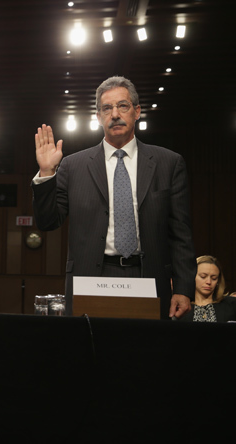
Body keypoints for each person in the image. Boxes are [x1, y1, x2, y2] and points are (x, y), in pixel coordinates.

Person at [32, 76, 195, 319]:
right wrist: (47, 173)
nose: (115, 114)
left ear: (137, 111)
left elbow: (180, 233)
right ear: (98, 117)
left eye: (123, 106)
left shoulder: (168, 164)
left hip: (147, 276)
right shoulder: (72, 166)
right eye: (106, 108)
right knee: (91, 354)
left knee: (144, 353)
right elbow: (47, 222)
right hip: (91, 277)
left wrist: (183, 289)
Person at [180, 256, 236, 322]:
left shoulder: (231, 305)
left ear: (218, 281)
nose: (208, 282)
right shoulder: (181, 306)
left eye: (214, 278)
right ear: (192, 277)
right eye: (203, 277)